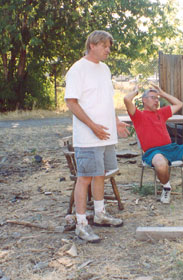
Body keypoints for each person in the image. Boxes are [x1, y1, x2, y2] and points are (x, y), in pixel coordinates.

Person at [64, 30, 130, 242]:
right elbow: (71, 102)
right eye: (105, 46)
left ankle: (100, 214)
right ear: (92, 45)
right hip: (88, 135)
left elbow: (104, 100)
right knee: (84, 178)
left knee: (101, 173)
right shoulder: (77, 69)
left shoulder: (105, 69)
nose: (108, 50)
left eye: (109, 46)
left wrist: (116, 120)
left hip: (106, 135)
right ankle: (81, 224)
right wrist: (93, 126)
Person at [123, 84, 183, 204]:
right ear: (144, 100)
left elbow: (179, 104)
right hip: (153, 152)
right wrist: (135, 91)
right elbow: (127, 99)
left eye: (157, 99)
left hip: (172, 148)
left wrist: (162, 93)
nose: (156, 101)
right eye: (153, 97)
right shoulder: (138, 115)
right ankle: (167, 188)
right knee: (160, 163)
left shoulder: (161, 113)